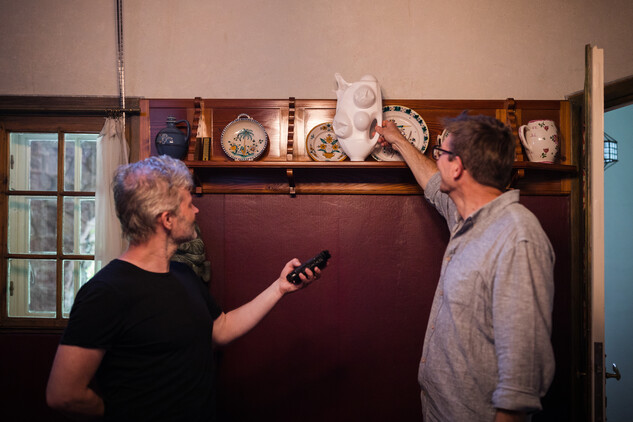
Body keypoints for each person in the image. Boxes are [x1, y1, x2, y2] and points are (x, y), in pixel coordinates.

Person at [46, 155, 323, 421]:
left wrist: (279, 288)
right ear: (167, 219)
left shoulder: (183, 274)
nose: (196, 210)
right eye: (189, 204)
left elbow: (222, 328)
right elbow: (63, 394)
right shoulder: (105, 292)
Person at [375, 113, 555, 421]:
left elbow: (522, 374)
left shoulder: (517, 238)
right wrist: (398, 140)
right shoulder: (466, 216)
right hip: (440, 409)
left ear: (457, 167)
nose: (437, 160)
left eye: (440, 153)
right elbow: (433, 182)